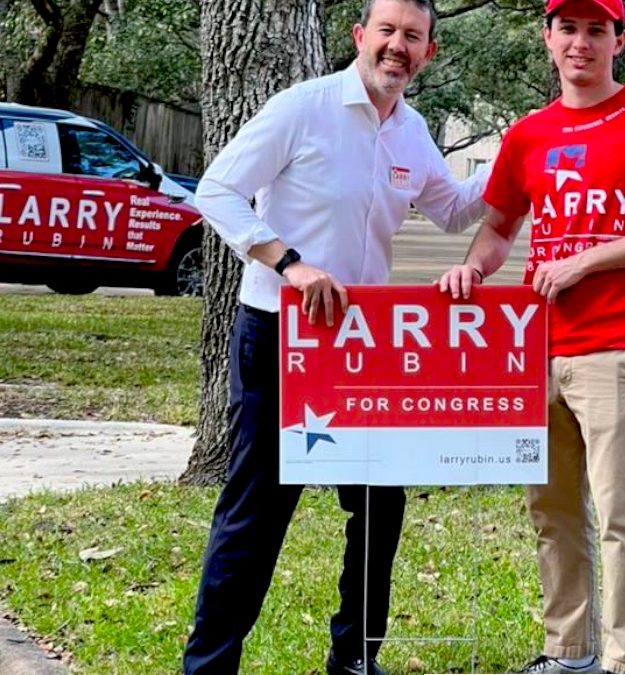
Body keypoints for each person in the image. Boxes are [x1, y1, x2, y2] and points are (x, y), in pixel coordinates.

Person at [181, 0, 489, 672]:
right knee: (257, 510)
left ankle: (353, 657)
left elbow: (453, 209)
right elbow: (217, 189)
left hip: (361, 345)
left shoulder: (412, 131)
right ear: (360, 36)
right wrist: (289, 263)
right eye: (386, 31)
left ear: (428, 52)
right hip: (278, 333)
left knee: (381, 505)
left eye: (412, 37)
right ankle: (209, 665)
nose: (397, 47)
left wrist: (525, 152)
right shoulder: (304, 106)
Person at [438, 0, 625, 671]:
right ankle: (568, 653)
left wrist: (585, 260)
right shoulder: (529, 134)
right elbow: (500, 226)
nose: (581, 44)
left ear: (619, 39)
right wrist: (472, 267)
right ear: (548, 37)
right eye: (569, 29)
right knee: (553, 512)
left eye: (597, 30)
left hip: (619, 346)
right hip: (539, 347)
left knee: (621, 517)